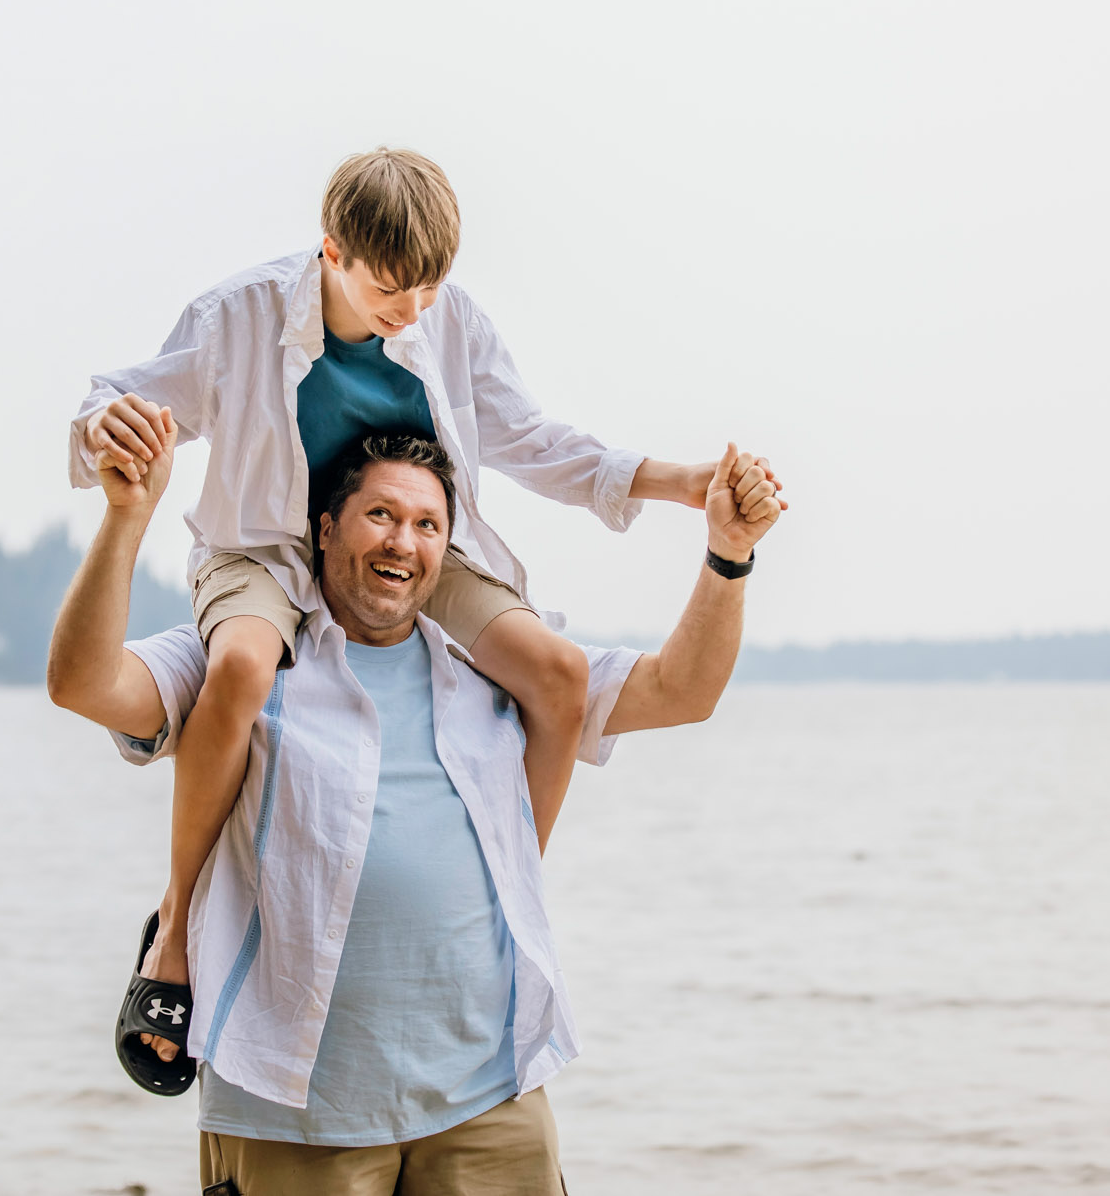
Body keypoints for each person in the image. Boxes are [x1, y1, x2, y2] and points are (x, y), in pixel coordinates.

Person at [69, 148, 732, 1059]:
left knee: (558, 673)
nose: (412, 311)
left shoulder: (450, 320)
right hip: (264, 545)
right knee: (239, 669)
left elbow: (530, 438)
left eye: (428, 289)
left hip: (403, 542)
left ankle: (504, 904)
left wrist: (677, 482)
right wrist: (107, 423)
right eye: (392, 290)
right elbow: (121, 396)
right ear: (332, 251)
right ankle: (178, 926)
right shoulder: (238, 315)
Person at [47, 425, 785, 1194]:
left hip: (488, 1096)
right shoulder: (240, 652)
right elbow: (82, 681)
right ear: (326, 528)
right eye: (381, 515)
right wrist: (126, 516)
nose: (404, 540)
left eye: (428, 523)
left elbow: (682, 690)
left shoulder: (497, 668)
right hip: (290, 1108)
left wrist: (728, 554)